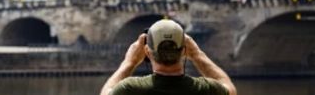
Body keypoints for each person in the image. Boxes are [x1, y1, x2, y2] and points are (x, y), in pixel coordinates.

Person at [100, 19, 237, 95]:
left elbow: (106, 92)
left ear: (147, 52)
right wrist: (197, 54)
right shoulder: (205, 89)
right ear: (184, 51)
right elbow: (229, 89)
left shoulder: (130, 89)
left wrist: (129, 62)